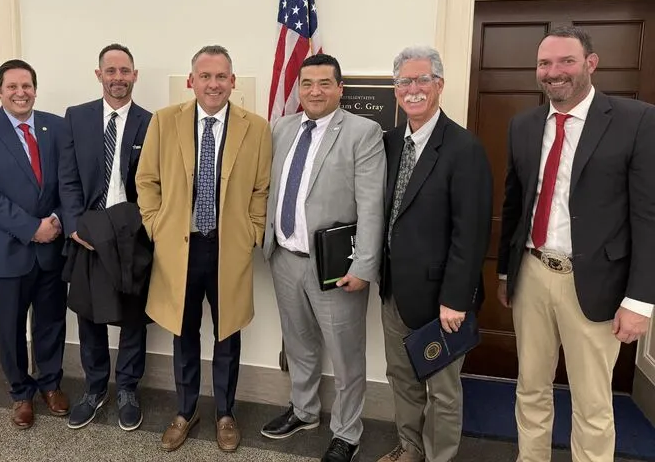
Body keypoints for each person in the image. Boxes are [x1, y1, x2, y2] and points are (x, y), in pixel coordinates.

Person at [497, 26, 655, 462]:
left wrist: (641, 301)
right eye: (545, 63)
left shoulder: (636, 121)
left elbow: (648, 216)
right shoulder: (524, 125)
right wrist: (507, 273)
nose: (554, 72)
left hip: (595, 282)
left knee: (592, 402)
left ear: (591, 63)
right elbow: (515, 202)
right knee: (530, 388)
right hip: (531, 274)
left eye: (566, 61)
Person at [136, 45, 271, 453]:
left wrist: (251, 232)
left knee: (227, 333)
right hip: (180, 248)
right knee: (184, 332)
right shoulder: (164, 121)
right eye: (205, 76)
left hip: (229, 249)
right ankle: (186, 409)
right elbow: (147, 180)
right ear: (192, 80)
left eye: (221, 77)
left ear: (232, 81)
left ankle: (225, 413)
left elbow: (261, 189)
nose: (213, 84)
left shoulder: (257, 128)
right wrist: (156, 225)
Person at [260, 53, 386, 462]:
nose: (315, 91)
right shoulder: (281, 128)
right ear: (298, 88)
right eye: (307, 84)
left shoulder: (362, 132)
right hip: (285, 258)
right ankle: (304, 410)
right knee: (299, 345)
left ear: (340, 88)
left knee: (347, 354)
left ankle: (347, 433)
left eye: (324, 84)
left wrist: (363, 265)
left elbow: (371, 206)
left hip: (335, 267)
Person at [376, 46, 493, 462]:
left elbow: (472, 232)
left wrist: (456, 298)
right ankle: (409, 449)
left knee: (442, 390)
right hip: (394, 293)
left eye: (423, 79)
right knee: (401, 378)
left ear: (439, 85)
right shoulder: (388, 143)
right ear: (396, 90)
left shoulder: (464, 148)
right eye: (405, 81)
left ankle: (439, 457)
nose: (413, 89)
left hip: (441, 300)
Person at [0, 59, 69, 429]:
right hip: (7, 250)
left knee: (52, 321)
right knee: (10, 328)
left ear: (35, 89)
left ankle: (51, 384)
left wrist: (55, 221)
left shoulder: (56, 126)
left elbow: (69, 183)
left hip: (52, 244)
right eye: (12, 87)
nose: (21, 93)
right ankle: (20, 394)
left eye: (27, 86)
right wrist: (30, 228)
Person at [59, 43, 152, 431]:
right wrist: (74, 224)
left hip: (132, 230)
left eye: (125, 71)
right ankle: (94, 388)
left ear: (135, 75)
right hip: (88, 230)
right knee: (89, 314)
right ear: (99, 75)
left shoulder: (152, 122)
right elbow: (66, 177)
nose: (118, 78)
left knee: (133, 317)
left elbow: (155, 181)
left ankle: (128, 388)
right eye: (110, 71)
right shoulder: (75, 118)